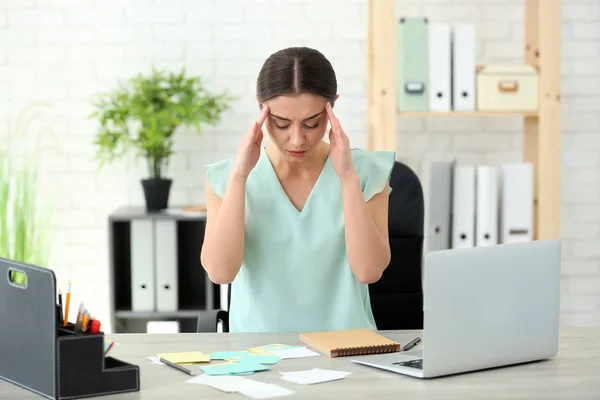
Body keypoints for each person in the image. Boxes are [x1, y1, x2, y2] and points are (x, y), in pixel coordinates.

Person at [200, 47, 396, 333]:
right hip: (257, 355)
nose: (297, 140)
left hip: (349, 353)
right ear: (261, 109)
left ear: (332, 108)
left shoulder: (366, 173)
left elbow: (368, 271)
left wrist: (348, 177)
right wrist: (240, 176)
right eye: (281, 124)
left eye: (312, 123)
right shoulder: (227, 178)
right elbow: (220, 273)